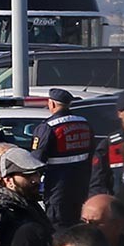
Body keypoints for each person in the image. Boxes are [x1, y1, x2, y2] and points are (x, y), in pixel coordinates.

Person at [29, 89, 95, 228]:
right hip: (82, 188)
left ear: (52, 104)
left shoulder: (48, 127)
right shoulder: (84, 124)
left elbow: (35, 161)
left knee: (58, 230)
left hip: (57, 190)